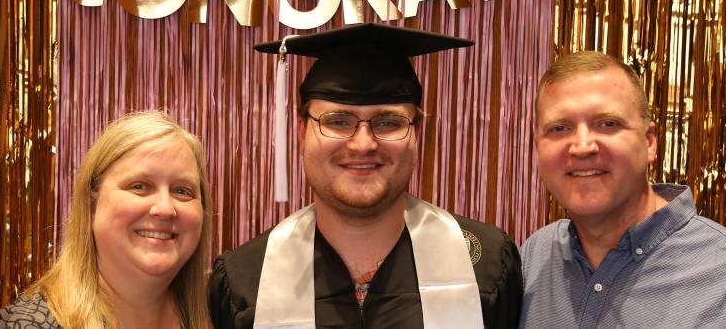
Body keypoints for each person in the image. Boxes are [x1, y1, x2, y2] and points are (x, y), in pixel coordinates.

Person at [208, 23, 523, 329]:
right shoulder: (245, 283)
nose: (363, 144)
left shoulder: (486, 267)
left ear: (418, 133)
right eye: (338, 121)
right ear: (302, 132)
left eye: (388, 122)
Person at [519, 51, 726, 328]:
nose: (583, 146)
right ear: (538, 148)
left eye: (608, 124)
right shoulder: (534, 259)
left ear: (649, 143)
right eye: (560, 128)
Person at [0, 111, 212, 329]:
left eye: (182, 191)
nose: (165, 208)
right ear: (91, 205)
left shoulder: (220, 316)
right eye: (139, 186)